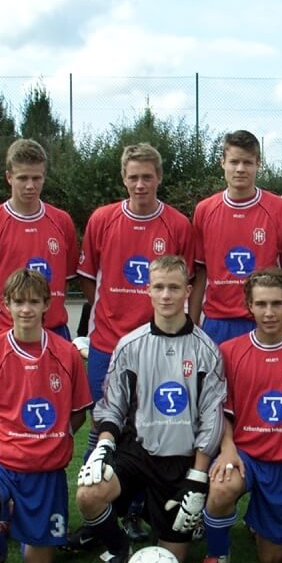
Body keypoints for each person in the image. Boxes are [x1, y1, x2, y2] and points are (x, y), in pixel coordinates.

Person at [73, 255, 225, 563]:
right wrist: (103, 446)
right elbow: (112, 406)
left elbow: (212, 418)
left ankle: (182, 525)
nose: (167, 295)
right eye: (159, 287)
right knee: (88, 495)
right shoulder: (129, 346)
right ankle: (117, 550)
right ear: (148, 291)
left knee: (174, 560)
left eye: (174, 287)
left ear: (188, 290)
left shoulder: (206, 350)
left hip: (180, 462)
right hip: (136, 452)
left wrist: (198, 478)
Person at [0, 269, 92, 563]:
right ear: (5, 304)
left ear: (47, 304)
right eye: (18, 301)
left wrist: (51, 442)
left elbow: (78, 414)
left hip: (46, 471)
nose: (26, 309)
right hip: (0, 462)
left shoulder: (67, 354)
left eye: (34, 301)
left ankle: (18, 524)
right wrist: (10, 440)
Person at [195, 270, 282, 563]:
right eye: (261, 304)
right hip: (245, 455)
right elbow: (222, 412)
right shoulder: (230, 351)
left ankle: (259, 519)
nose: (269, 313)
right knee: (222, 487)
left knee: (272, 559)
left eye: (277, 304)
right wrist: (227, 450)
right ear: (248, 306)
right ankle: (217, 553)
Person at [77, 143, 193, 437]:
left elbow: (185, 282)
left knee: (153, 422)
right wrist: (109, 308)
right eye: (133, 178)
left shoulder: (178, 225)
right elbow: (88, 277)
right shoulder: (102, 219)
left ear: (159, 178)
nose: (140, 185)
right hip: (108, 342)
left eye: (147, 177)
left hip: (159, 343)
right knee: (102, 422)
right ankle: (100, 474)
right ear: (123, 178)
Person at [190, 129, 282, 346]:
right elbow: (200, 272)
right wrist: (191, 326)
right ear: (222, 163)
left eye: (247, 162)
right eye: (234, 162)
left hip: (264, 321)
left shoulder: (279, 209)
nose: (240, 169)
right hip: (218, 321)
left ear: (258, 164)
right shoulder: (204, 210)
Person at [0, 138, 78, 338]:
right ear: (9, 177)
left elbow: (64, 281)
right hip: (5, 332)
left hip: (55, 332)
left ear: (44, 176)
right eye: (22, 178)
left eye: (36, 178)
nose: (30, 186)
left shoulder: (62, 221)